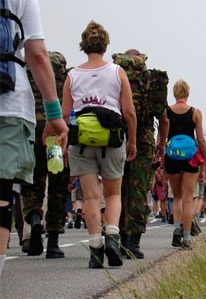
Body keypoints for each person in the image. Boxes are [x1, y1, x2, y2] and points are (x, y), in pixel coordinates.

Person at [0, 0, 69, 277]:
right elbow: (37, 55)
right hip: (10, 107)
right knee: (2, 197)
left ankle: (34, 218)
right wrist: (54, 115)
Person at [62, 21, 137, 268]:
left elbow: (64, 115)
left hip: (82, 139)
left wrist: (62, 145)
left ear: (84, 45)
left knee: (92, 197)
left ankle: (96, 249)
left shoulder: (72, 75)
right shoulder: (117, 72)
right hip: (112, 137)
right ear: (106, 45)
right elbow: (129, 112)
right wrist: (132, 140)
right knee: (113, 193)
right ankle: (113, 236)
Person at [113, 49, 169, 260]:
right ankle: (133, 242)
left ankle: (115, 236)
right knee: (138, 190)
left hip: (116, 137)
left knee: (116, 190)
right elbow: (163, 120)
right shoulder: (150, 82)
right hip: (144, 140)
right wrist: (160, 144)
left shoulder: (115, 77)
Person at [21, 51, 71, 258]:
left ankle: (33, 218)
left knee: (32, 183)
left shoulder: (26, 76)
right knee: (58, 185)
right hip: (55, 136)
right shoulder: (64, 80)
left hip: (31, 132)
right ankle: (53, 242)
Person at [164, 79, 206, 249]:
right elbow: (201, 139)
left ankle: (176, 228)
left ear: (174, 93)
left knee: (176, 197)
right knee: (187, 198)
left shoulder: (166, 112)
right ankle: (186, 237)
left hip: (171, 156)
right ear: (188, 93)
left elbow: (161, 138)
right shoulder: (195, 113)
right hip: (190, 157)